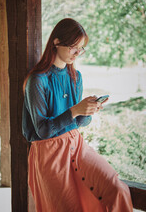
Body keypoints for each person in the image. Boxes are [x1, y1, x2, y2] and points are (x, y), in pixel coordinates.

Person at [22, 18, 133, 212]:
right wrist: (74, 110)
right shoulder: (37, 80)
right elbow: (42, 130)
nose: (78, 53)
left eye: (81, 48)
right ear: (56, 42)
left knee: (117, 189)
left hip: (76, 145)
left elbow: (78, 122)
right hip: (48, 154)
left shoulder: (76, 77)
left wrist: (88, 110)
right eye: (74, 47)